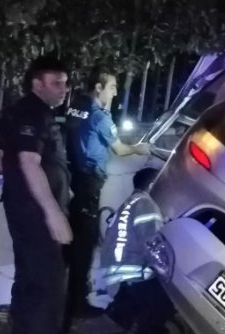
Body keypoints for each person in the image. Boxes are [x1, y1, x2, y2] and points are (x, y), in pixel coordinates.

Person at [0, 55, 83, 334]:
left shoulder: (15, 112)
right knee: (50, 287)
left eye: (65, 82)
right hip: (37, 214)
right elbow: (29, 163)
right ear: (37, 84)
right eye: (56, 82)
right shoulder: (35, 113)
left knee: (29, 279)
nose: (64, 89)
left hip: (20, 210)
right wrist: (52, 213)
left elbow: (0, 160)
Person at [65, 66, 150, 318]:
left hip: (73, 176)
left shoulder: (76, 106)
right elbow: (120, 149)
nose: (115, 93)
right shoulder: (100, 117)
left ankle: (66, 298)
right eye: (112, 87)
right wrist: (140, 148)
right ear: (98, 87)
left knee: (72, 241)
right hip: (89, 181)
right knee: (85, 244)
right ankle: (76, 304)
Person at [91, 168, 174, 334]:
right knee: (173, 294)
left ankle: (124, 308)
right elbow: (153, 246)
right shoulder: (146, 204)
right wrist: (169, 274)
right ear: (152, 185)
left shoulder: (131, 203)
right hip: (128, 281)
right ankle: (136, 320)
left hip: (116, 277)